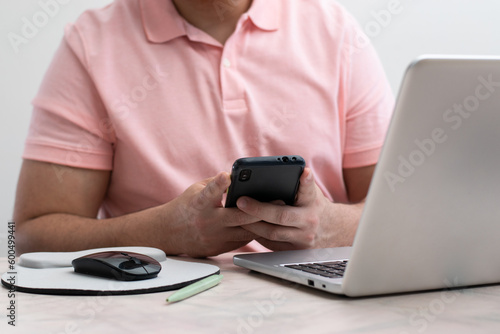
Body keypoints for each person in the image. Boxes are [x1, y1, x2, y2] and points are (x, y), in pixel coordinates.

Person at [13, 0, 394, 257]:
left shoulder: (334, 30)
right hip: (158, 310)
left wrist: (328, 227)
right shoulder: (93, 43)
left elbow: (409, 212)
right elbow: (29, 238)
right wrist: (163, 233)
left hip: (318, 304)